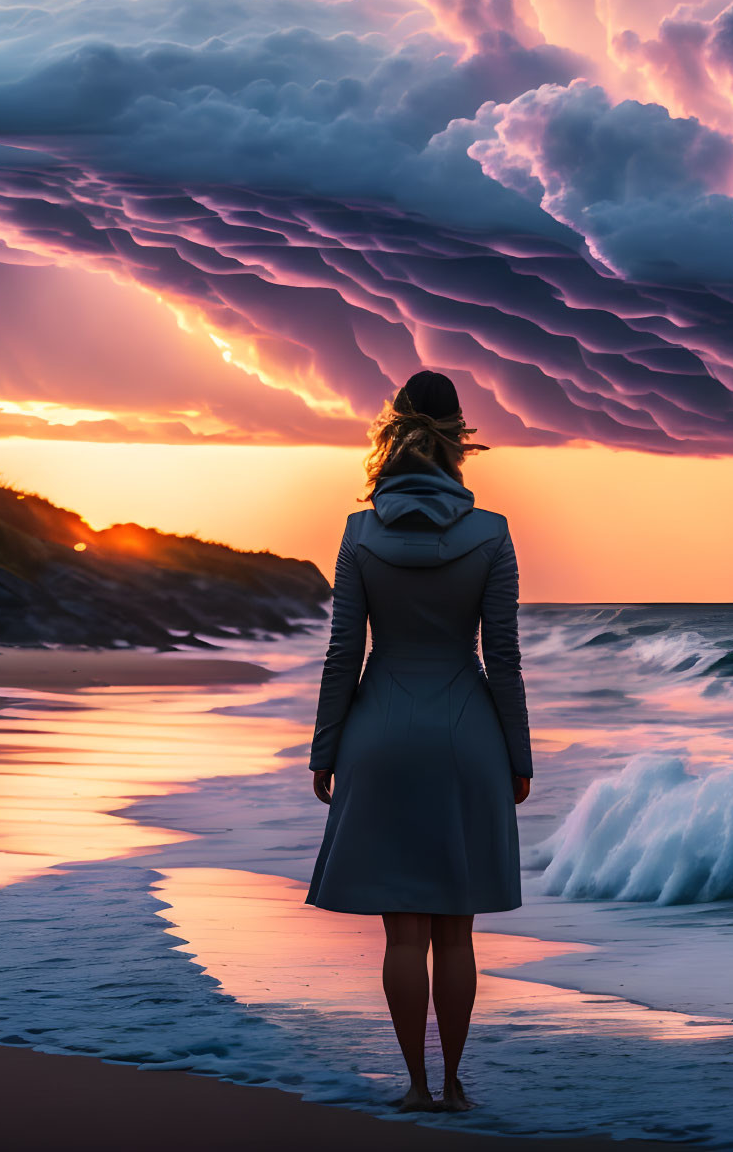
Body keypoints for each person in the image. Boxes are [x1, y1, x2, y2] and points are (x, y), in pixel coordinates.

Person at [305, 368, 533, 1115]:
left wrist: (325, 747)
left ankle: (412, 1085)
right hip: (467, 735)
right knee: (455, 933)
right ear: (459, 437)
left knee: (401, 936)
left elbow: (344, 651)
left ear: (391, 428)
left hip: (380, 736)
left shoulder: (359, 531)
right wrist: (518, 758)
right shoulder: (491, 533)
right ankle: (458, 1085)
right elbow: (502, 656)